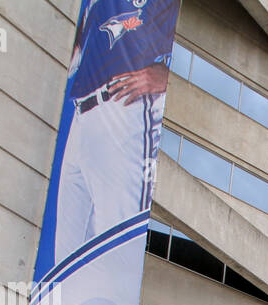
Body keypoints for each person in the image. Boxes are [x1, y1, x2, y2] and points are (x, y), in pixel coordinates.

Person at [53, 0, 180, 266]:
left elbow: (176, 42)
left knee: (114, 253)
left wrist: (167, 77)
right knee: (65, 260)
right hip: (80, 113)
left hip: (121, 109)